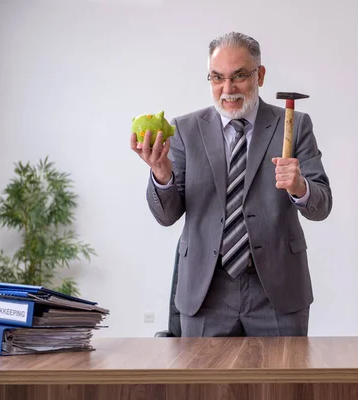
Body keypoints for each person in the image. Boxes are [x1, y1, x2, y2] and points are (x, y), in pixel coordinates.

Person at [130, 32, 332, 337]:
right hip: (206, 291)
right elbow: (167, 216)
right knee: (203, 386)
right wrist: (161, 172)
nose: (228, 89)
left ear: (260, 75)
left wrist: (300, 186)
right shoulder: (184, 129)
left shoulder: (294, 124)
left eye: (239, 76)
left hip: (277, 290)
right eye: (217, 77)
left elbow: (322, 206)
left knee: (280, 385)